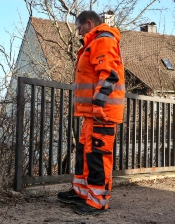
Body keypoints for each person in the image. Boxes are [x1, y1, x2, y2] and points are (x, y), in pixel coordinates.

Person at [57, 11, 125, 215]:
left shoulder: (102, 40)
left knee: (97, 155)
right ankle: (82, 192)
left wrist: (98, 105)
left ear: (89, 23)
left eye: (79, 28)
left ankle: (98, 200)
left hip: (101, 112)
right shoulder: (94, 42)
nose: (78, 32)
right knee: (85, 153)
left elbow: (109, 75)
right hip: (92, 113)